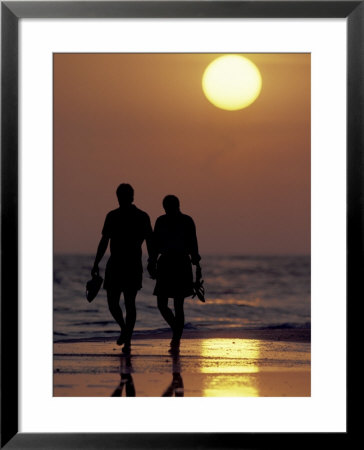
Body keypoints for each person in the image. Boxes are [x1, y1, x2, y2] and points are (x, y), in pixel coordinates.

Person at [91, 183, 153, 353]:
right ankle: (125, 329)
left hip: (133, 264)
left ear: (132, 197)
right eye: (120, 196)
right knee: (112, 303)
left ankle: (127, 337)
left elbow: (150, 241)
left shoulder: (142, 216)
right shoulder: (112, 216)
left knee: (129, 302)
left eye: (125, 196)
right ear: (117, 197)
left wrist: (152, 261)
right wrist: (96, 262)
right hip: (115, 264)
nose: (122, 199)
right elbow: (104, 241)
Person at [148, 195, 201, 351]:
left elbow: (193, 243)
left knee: (178, 305)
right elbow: (155, 245)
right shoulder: (161, 221)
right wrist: (151, 262)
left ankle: (176, 338)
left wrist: (196, 262)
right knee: (162, 304)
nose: (167, 210)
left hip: (180, 263)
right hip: (166, 263)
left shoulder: (186, 220)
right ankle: (176, 332)